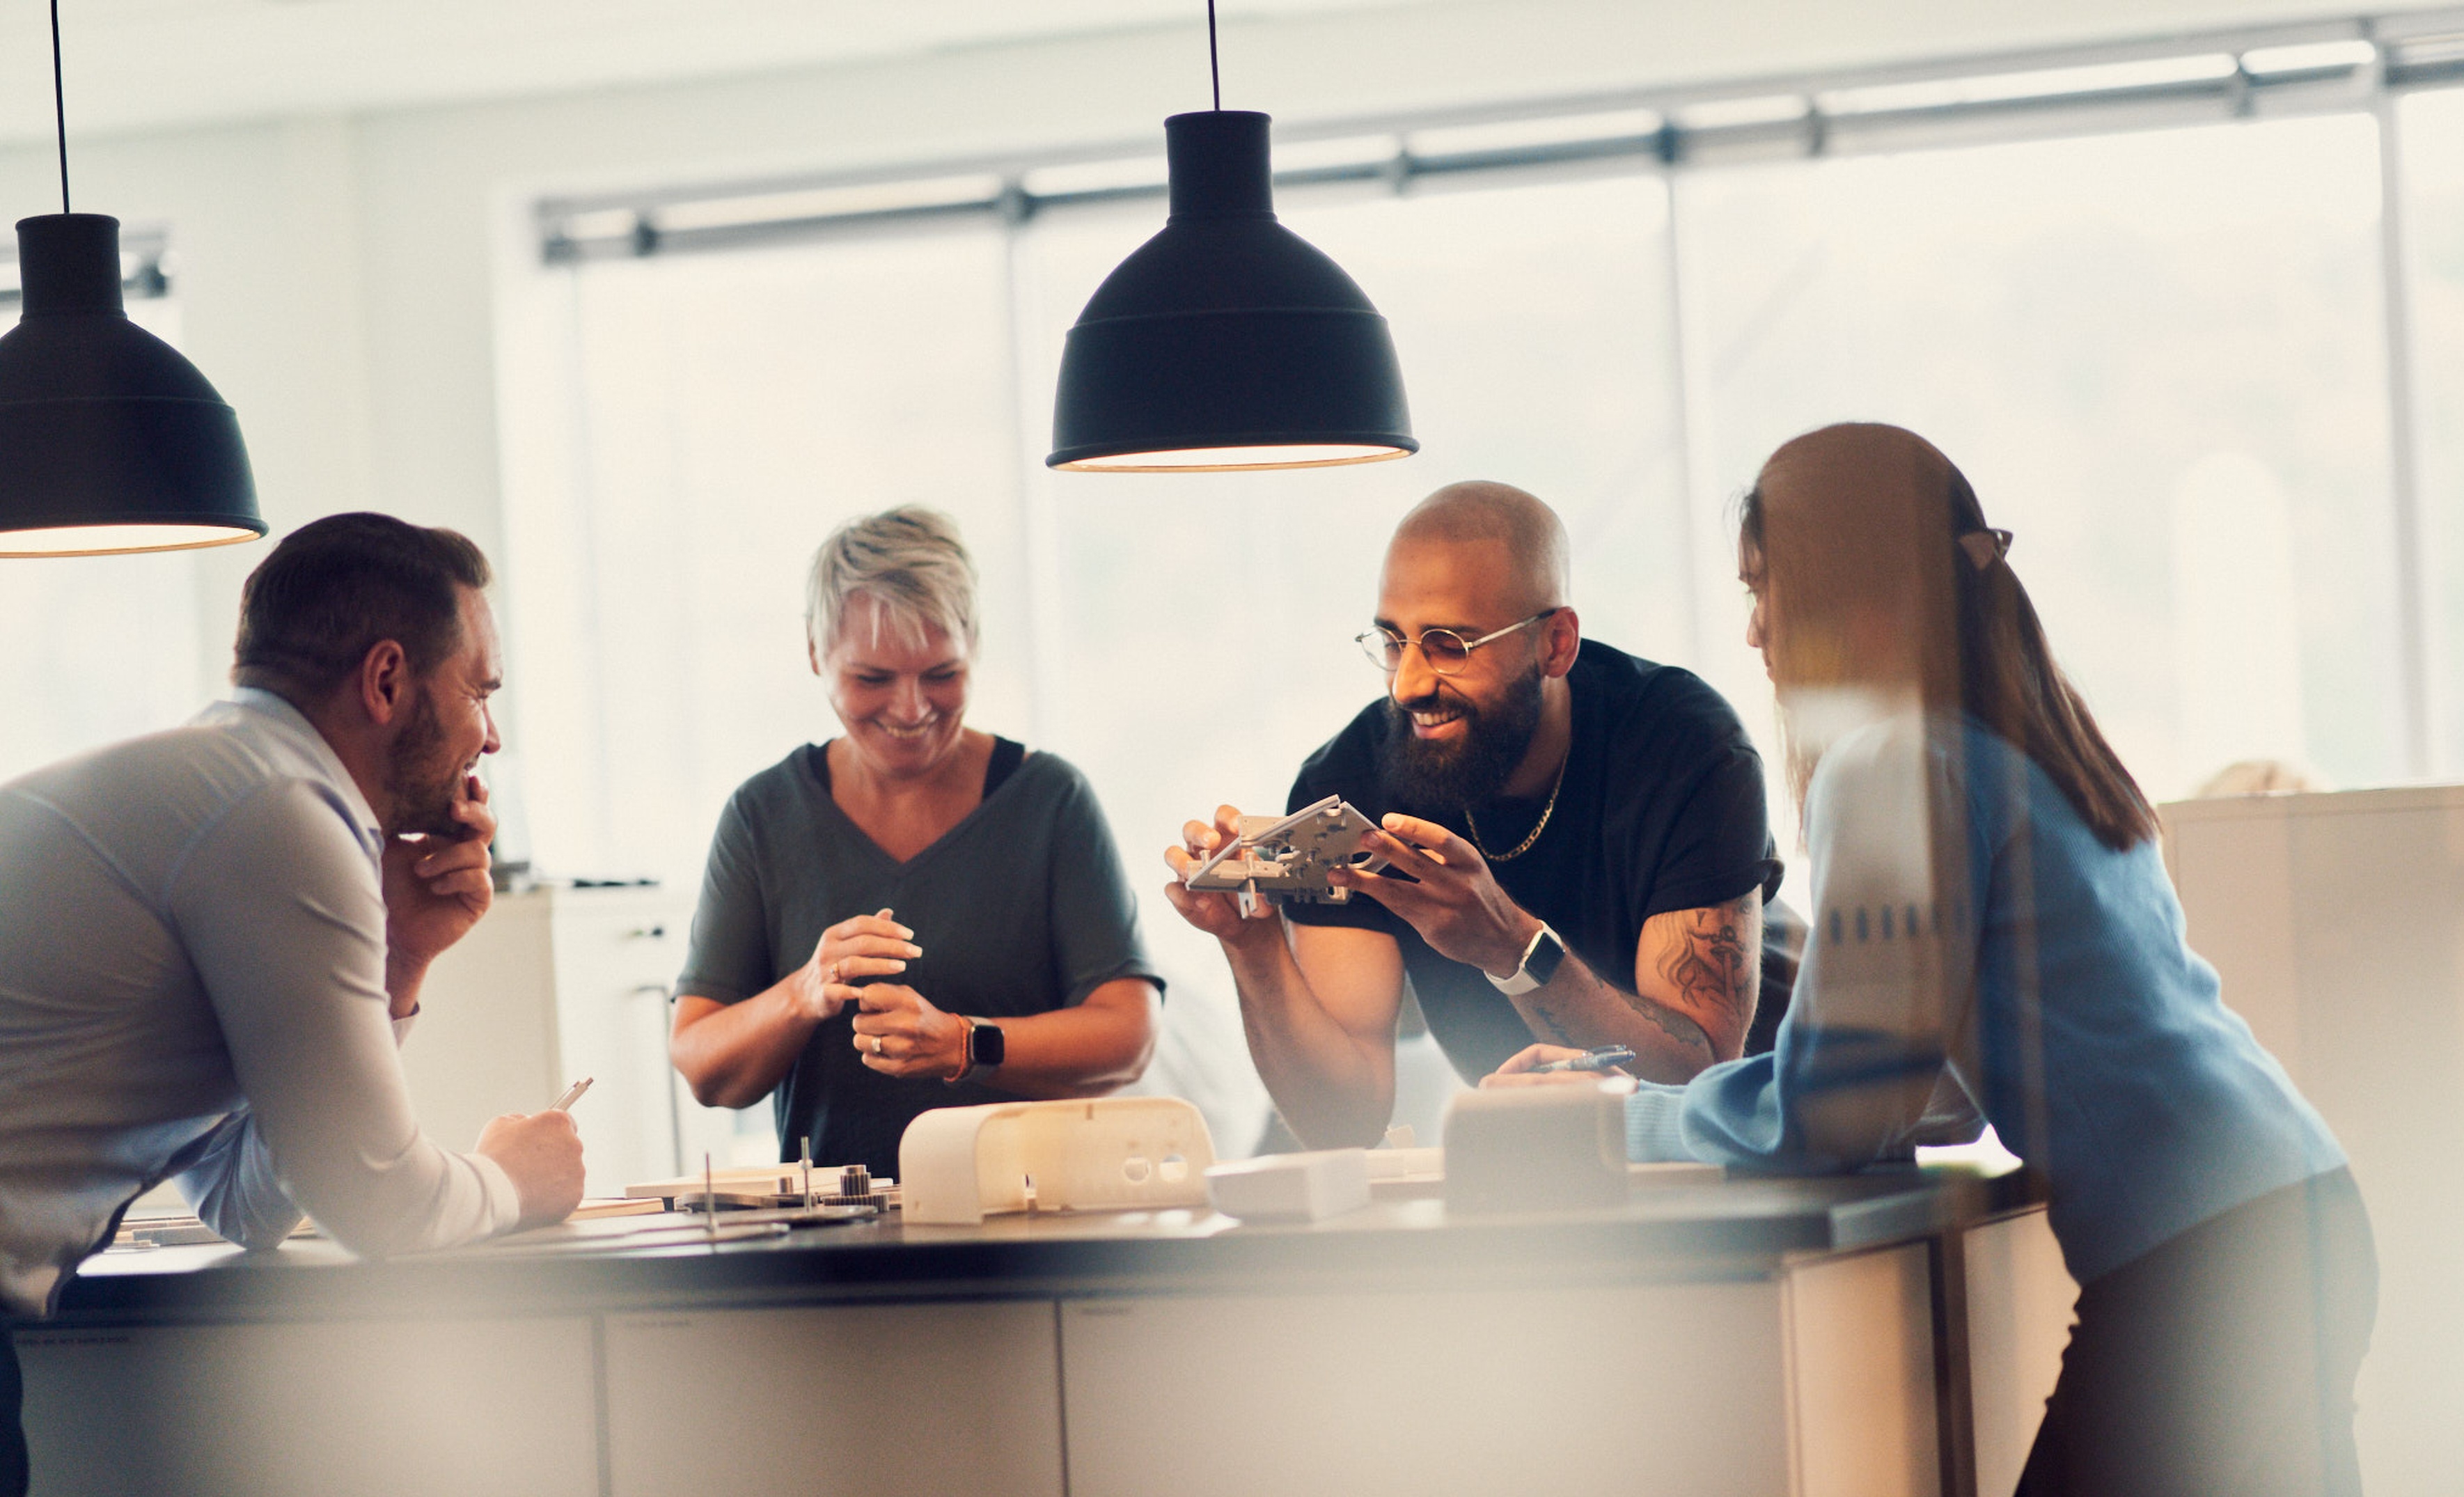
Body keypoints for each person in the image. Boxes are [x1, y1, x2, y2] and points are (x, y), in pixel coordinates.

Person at [1497, 424, 2376, 1496]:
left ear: (1844, 591)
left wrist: (1611, 1115)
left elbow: (1842, 1104)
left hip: (2213, 1264)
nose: (1755, 631)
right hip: (2299, 1204)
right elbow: (1935, 1091)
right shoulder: (2027, 740)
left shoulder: (1891, 761)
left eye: (1766, 588)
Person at [0, 513, 588, 1497]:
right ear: (389, 680)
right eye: (479, 690)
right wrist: (515, 1177)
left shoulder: (232, 783)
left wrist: (400, 958)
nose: (491, 735)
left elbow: (242, 1202)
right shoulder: (278, 811)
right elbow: (379, 1203)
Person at [1163, 481, 1790, 1149]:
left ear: (1556, 644)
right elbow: (1343, 1123)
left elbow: (1696, 1078)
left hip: (1760, 1142)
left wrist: (1510, 946)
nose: (1408, 684)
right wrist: (1253, 948)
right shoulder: (1349, 783)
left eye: (1449, 645)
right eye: (1393, 642)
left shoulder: (1682, 745)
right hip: (1540, 1164)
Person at [669, 507, 1160, 1173]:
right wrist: (804, 993)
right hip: (833, 1247)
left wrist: (964, 1045)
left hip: (1037, 1224)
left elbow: (1128, 1038)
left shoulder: (1050, 800)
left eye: (941, 674)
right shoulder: (763, 814)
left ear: (975, 648)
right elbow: (703, 1066)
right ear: (816, 654)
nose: (910, 709)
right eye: (872, 678)